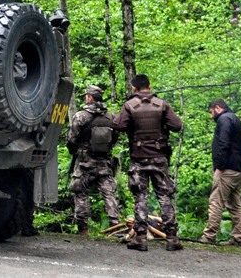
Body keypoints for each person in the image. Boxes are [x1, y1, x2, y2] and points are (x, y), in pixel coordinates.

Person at [113, 74, 184, 251]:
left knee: (140, 197)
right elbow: (177, 125)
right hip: (159, 157)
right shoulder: (162, 104)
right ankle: (172, 238)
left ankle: (141, 238)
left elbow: (119, 125)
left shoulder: (130, 106)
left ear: (134, 88)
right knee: (165, 196)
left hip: (139, 158)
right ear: (150, 86)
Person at [67, 85, 121, 237]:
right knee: (109, 193)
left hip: (84, 162)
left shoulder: (81, 116)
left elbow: (71, 139)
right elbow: (115, 137)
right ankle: (115, 226)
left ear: (89, 98)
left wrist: (76, 151)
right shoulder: (111, 117)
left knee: (80, 192)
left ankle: (83, 229)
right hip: (104, 162)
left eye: (86, 96)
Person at [199, 98, 241, 247]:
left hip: (228, 169)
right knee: (234, 204)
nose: (211, 116)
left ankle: (209, 236)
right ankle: (239, 238)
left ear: (217, 108)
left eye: (211, 112)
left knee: (216, 201)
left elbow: (223, 143)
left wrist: (219, 166)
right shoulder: (234, 119)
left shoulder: (224, 119)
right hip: (239, 169)